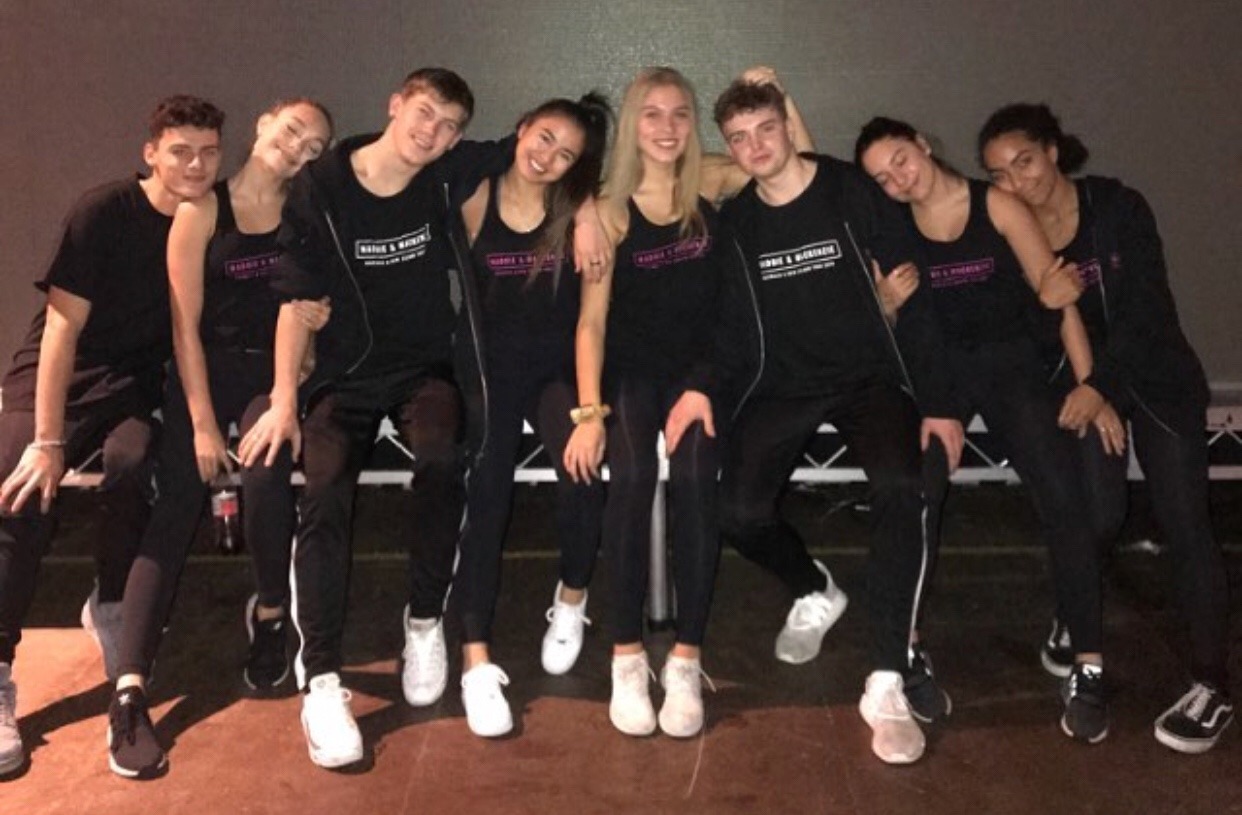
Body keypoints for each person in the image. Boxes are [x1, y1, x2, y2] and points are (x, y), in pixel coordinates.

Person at [709, 79, 963, 764]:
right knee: (737, 513)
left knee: (903, 488)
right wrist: (704, 392)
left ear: (788, 127)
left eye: (766, 129)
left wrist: (939, 402)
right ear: (730, 148)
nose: (756, 146)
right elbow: (728, 330)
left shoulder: (851, 191)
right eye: (739, 138)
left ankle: (887, 677)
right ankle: (815, 589)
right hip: (783, 386)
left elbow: (916, 295)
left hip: (867, 380)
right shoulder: (737, 223)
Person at [979, 103, 1233, 754]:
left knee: (1184, 522)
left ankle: (1212, 685)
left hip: (1154, 379)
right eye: (1000, 174)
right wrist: (1077, 370)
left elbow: (1147, 312)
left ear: (1053, 151)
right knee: (1095, 515)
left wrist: (1103, 387)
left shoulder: (1118, 208)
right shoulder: (1012, 232)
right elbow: (1030, 333)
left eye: (1025, 161)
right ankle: (1076, 610)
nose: (1017, 180)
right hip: (1082, 387)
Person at [855, 116, 1109, 745]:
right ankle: (907, 650)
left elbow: (1058, 295)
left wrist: (1090, 385)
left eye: (900, 160)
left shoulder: (995, 204)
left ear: (922, 143)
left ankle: (1088, 662)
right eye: (882, 178)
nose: (897, 180)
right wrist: (885, 307)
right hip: (941, 384)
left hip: (1011, 371)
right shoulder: (892, 227)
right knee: (920, 493)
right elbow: (895, 331)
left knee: (1064, 494)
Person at [106, 99, 335, 779]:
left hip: (271, 376)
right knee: (178, 500)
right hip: (203, 375)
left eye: (314, 146)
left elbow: (302, 310)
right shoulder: (203, 210)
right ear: (264, 124)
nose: (298, 148)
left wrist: (289, 392)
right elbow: (184, 328)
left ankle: (270, 613)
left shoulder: (304, 217)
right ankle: (129, 691)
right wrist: (203, 423)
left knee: (267, 475)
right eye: (292, 130)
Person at [0, 95, 224, 777]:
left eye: (210, 151)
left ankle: (111, 597)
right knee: (20, 495)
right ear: (150, 153)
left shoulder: (209, 217)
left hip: (131, 385)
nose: (196, 164)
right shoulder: (102, 211)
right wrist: (46, 441)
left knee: (135, 462)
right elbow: (61, 329)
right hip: (59, 378)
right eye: (181, 150)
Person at [564, 66, 750, 740]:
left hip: (701, 373)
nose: (667, 127)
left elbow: (794, 166)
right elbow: (591, 324)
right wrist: (590, 414)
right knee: (634, 476)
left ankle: (686, 657)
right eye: (652, 114)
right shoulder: (611, 210)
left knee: (698, 479)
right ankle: (625, 656)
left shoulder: (713, 181)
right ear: (632, 125)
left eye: (679, 114)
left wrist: (779, 98)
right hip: (632, 375)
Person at [450, 92, 611, 738]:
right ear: (520, 128)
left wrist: (591, 414)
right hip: (489, 372)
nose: (548, 157)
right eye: (544, 137)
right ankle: (475, 658)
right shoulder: (476, 196)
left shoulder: (579, 215)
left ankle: (572, 598)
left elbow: (590, 323)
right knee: (486, 494)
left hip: (556, 374)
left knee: (583, 475)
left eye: (566, 153)